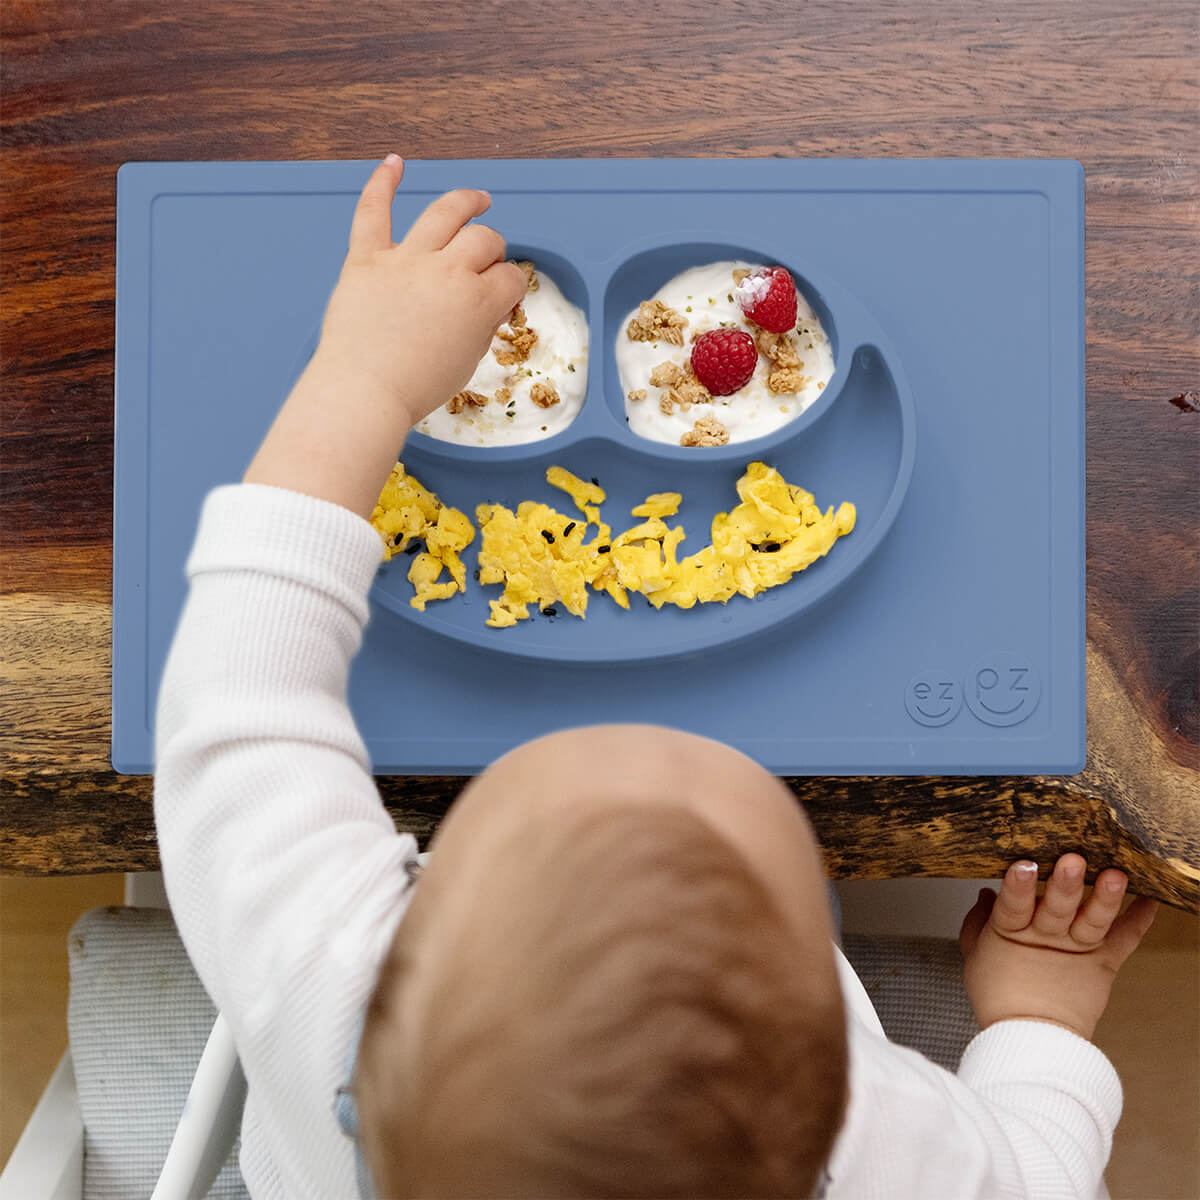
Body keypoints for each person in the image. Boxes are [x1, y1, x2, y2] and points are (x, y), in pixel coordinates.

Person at [154, 154, 1159, 1200]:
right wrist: (1040, 1021)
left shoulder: (327, 985)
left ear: (410, 944)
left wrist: (361, 378)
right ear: (834, 1079)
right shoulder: (878, 1142)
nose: (640, 745)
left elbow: (236, 690)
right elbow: (1038, 1177)